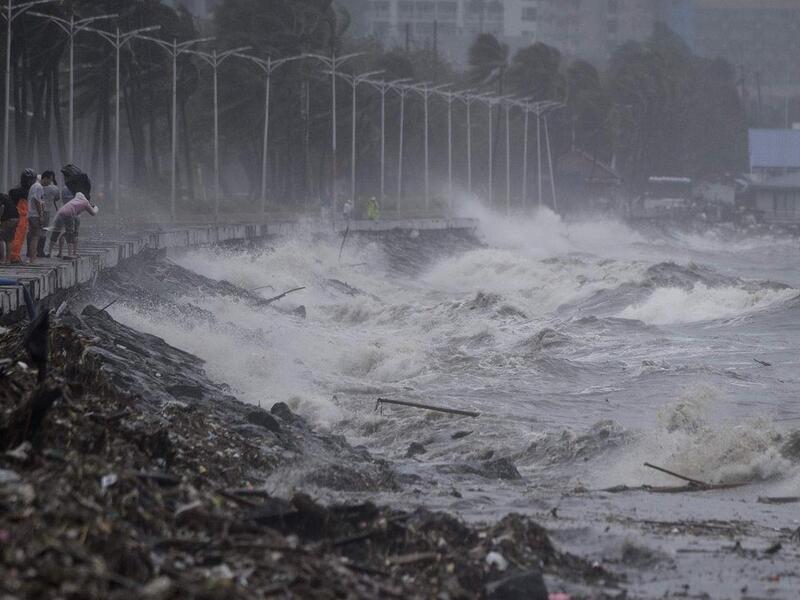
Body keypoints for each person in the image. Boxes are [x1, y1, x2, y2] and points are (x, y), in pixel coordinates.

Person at [47, 164, 98, 259]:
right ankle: (73, 252)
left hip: (64, 212)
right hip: (75, 215)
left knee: (58, 232)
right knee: (72, 233)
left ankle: (57, 252)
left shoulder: (65, 188)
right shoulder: (78, 191)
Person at [8, 169, 36, 264]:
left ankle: (12, 255)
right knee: (17, 237)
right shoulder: (24, 191)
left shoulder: (15, 189)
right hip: (20, 217)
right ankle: (14, 256)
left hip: (16, 216)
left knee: (14, 237)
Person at [37, 171, 60, 257]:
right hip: (46, 211)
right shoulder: (54, 189)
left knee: (35, 231)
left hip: (36, 211)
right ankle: (40, 251)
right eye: (50, 179)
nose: (50, 181)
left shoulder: (36, 186)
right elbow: (57, 198)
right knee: (43, 231)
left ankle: (34, 251)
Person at [26, 173, 45, 264]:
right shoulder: (39, 187)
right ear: (45, 178)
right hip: (35, 215)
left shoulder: (33, 186)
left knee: (31, 235)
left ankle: (30, 258)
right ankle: (32, 259)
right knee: (35, 237)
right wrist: (41, 215)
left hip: (30, 214)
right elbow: (37, 201)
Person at [0, 192, 18, 264]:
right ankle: (8, 260)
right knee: (9, 240)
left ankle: (2, 260)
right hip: (15, 218)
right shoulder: (6, 196)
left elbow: (2, 207)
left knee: (0, 239)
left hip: (7, 219)